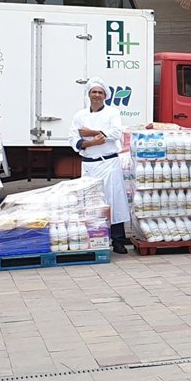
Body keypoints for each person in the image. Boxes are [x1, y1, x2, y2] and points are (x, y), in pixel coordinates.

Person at [70, 78, 130, 254]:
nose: (97, 95)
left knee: (114, 201)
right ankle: (96, 239)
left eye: (100, 92)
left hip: (109, 163)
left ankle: (118, 240)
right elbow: (73, 139)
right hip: (89, 164)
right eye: (94, 92)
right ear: (88, 94)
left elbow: (116, 133)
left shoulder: (112, 113)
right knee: (91, 203)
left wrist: (91, 132)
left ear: (105, 96)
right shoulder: (80, 116)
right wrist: (91, 143)